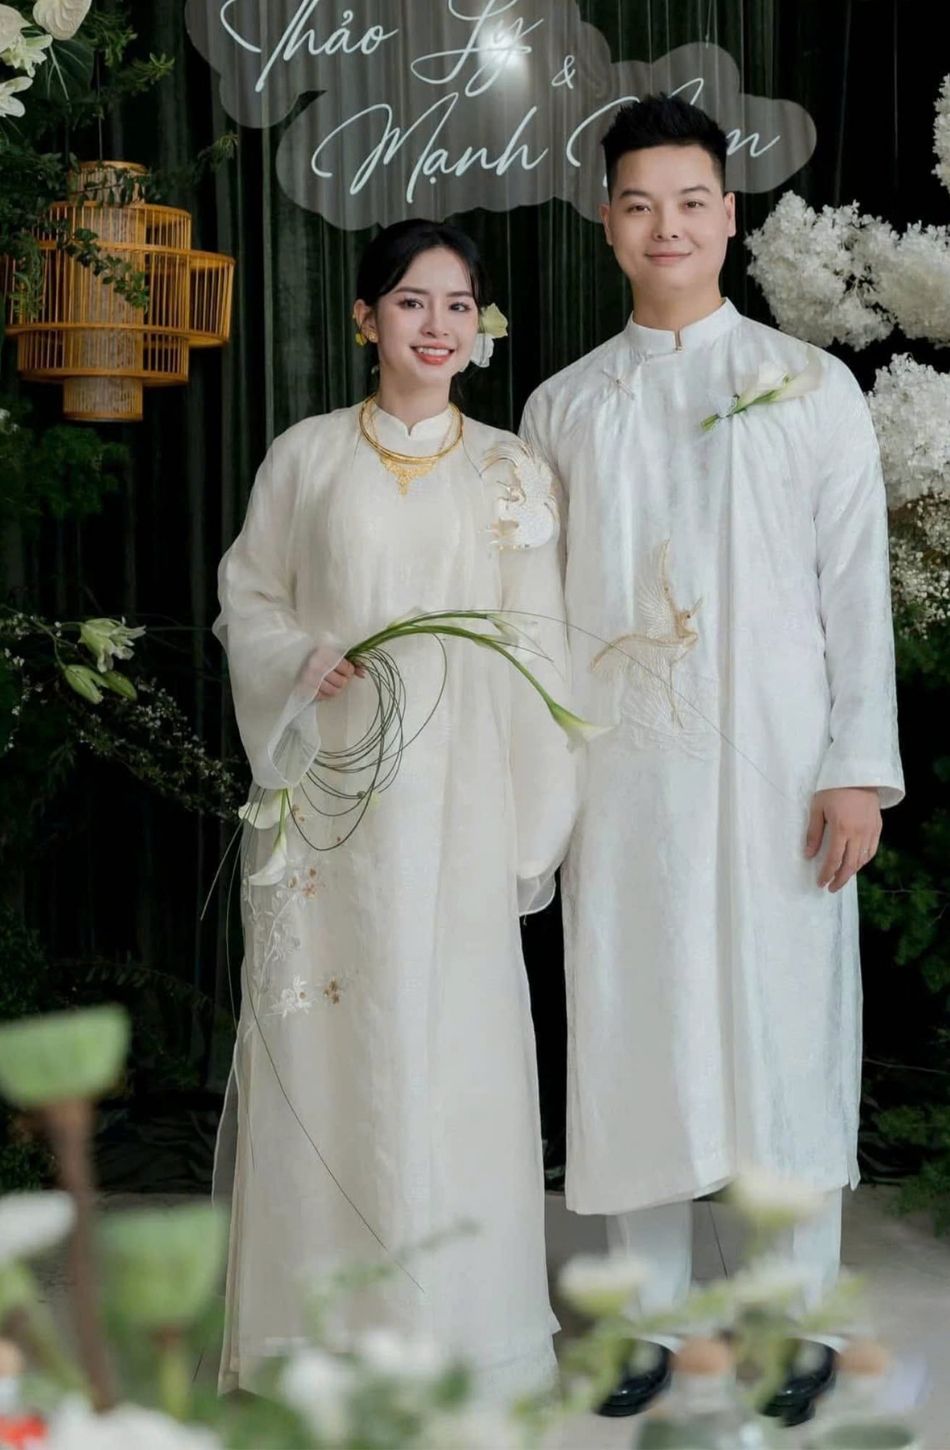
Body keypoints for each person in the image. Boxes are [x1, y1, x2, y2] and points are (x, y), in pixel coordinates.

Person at [521, 95, 903, 1426]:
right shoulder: (565, 406)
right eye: (638, 204)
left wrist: (854, 765)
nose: (665, 226)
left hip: (781, 776)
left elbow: (853, 590)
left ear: (727, 215)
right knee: (634, 1029)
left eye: (689, 201)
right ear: (607, 222)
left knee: (785, 1037)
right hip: (624, 783)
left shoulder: (807, 388)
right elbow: (535, 619)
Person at [214, 219, 574, 1399]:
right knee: (330, 1048)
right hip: (330, 799)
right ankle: (324, 1334)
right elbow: (247, 594)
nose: (436, 325)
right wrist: (297, 656)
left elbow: (538, 646)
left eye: (457, 304)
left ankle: (458, 1330)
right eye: (412, 302)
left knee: (454, 1050)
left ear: (478, 326)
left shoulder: (511, 471)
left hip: (460, 804)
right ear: (366, 318)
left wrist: (533, 820)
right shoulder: (306, 456)